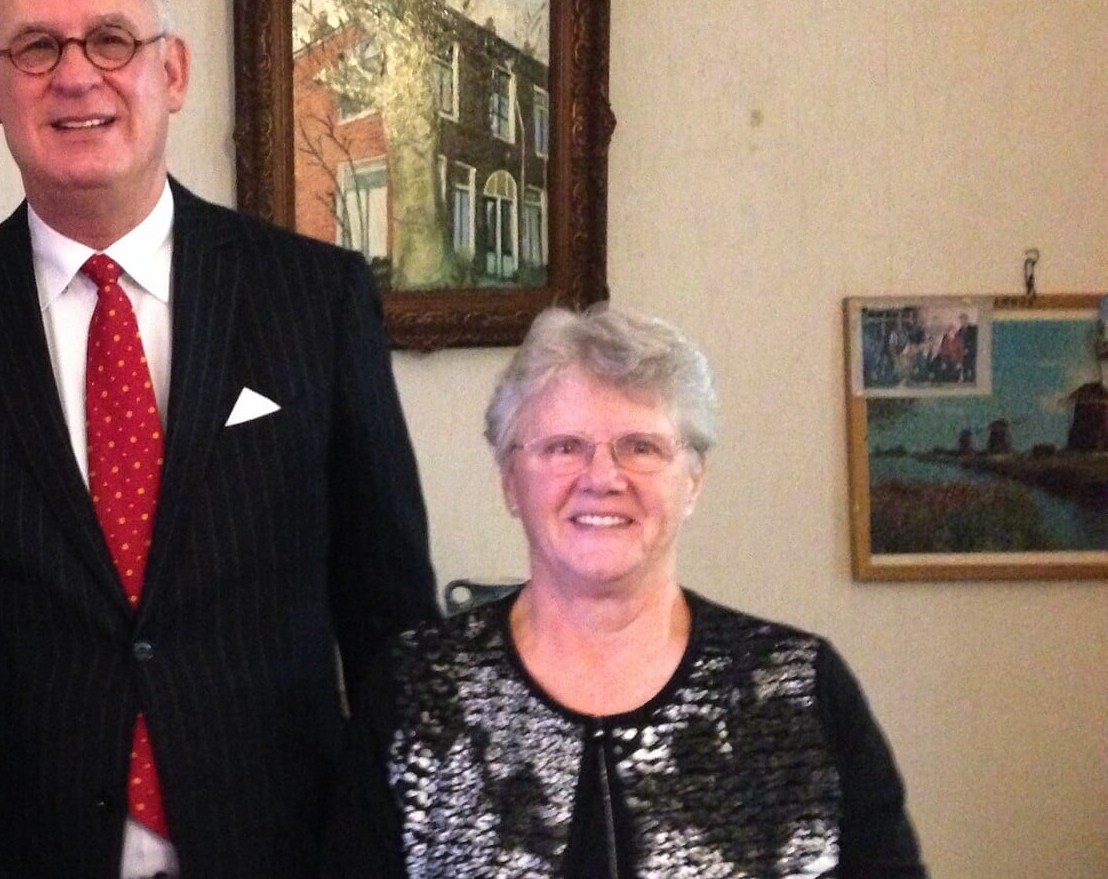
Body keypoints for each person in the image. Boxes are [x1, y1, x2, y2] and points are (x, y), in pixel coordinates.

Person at [0, 0, 436, 878]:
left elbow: (389, 615)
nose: (77, 73)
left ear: (173, 70)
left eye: (112, 38)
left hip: (284, 850)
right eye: (36, 46)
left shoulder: (314, 298)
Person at [321, 305, 927, 878]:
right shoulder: (418, 693)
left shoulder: (797, 688)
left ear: (692, 481)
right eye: (564, 447)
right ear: (510, 481)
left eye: (641, 447)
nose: (603, 478)